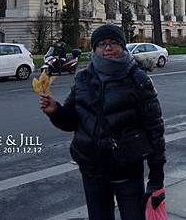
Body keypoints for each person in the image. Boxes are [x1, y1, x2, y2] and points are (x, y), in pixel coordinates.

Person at [39, 24, 166, 220]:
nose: (107, 48)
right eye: (102, 44)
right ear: (94, 49)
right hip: (93, 168)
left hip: (126, 167)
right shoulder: (83, 78)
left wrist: (156, 175)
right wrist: (56, 111)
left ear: (122, 47)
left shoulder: (138, 79)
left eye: (113, 43)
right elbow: (72, 122)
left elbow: (155, 129)